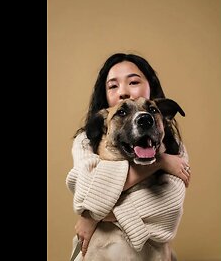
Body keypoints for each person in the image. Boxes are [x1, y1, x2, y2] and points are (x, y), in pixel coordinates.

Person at [65, 53, 191, 259]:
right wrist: (159, 162)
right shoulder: (86, 141)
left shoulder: (175, 149)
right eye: (113, 86)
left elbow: (168, 212)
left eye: (133, 82)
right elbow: (86, 194)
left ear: (150, 86)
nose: (123, 91)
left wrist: (95, 216)